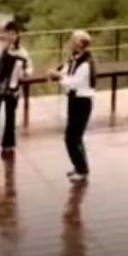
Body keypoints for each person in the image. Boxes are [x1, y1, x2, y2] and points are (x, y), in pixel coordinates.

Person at [0, 21, 33, 157]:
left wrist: (25, 73)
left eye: (12, 34)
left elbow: (29, 67)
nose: (10, 37)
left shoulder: (22, 52)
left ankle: (8, 144)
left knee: (10, 116)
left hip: (12, 88)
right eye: (7, 34)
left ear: (17, 35)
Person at [49, 30, 95, 182]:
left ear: (80, 45)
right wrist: (57, 72)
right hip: (74, 100)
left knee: (72, 137)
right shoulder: (75, 59)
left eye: (74, 41)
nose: (71, 44)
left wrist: (59, 77)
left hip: (82, 102)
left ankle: (81, 169)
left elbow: (74, 82)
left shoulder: (86, 64)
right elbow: (66, 70)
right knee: (76, 137)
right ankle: (81, 166)